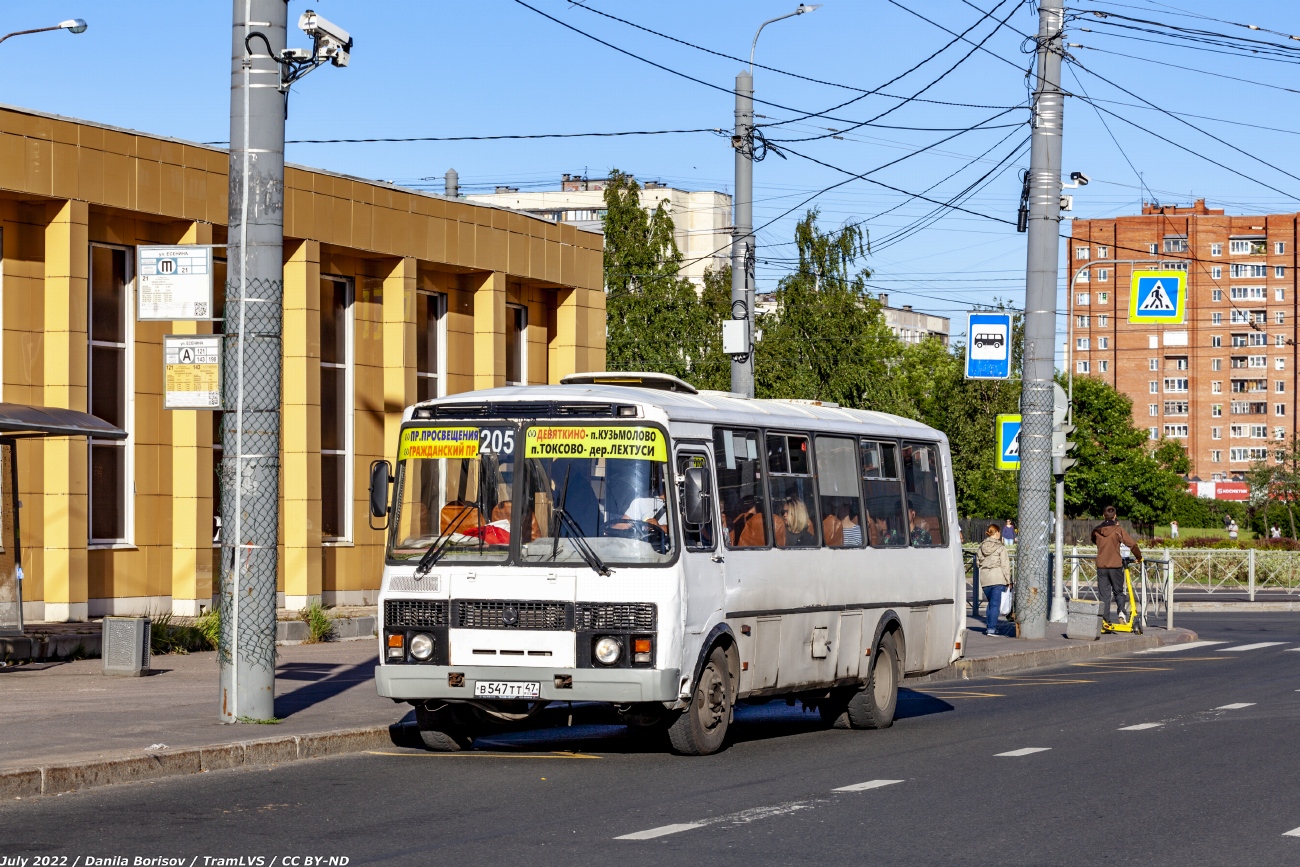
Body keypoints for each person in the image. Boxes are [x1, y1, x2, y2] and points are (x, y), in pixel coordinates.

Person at [1091, 505, 1142, 623]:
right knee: (1118, 591)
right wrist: (1139, 557)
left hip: (1101, 566)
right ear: (1115, 516)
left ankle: (1105, 620)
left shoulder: (1096, 530)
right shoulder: (1118, 530)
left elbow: (1094, 540)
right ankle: (1121, 613)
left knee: (1104, 595)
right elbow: (1132, 544)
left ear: (1103, 516)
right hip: (1115, 565)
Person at [976, 524, 1012, 636]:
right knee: (995, 605)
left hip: (985, 579)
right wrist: (1008, 580)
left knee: (991, 604)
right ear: (996, 533)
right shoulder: (1001, 548)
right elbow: (1005, 565)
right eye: (999, 532)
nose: (1000, 534)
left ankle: (989, 627)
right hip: (998, 578)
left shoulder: (981, 547)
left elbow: (977, 563)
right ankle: (991, 629)